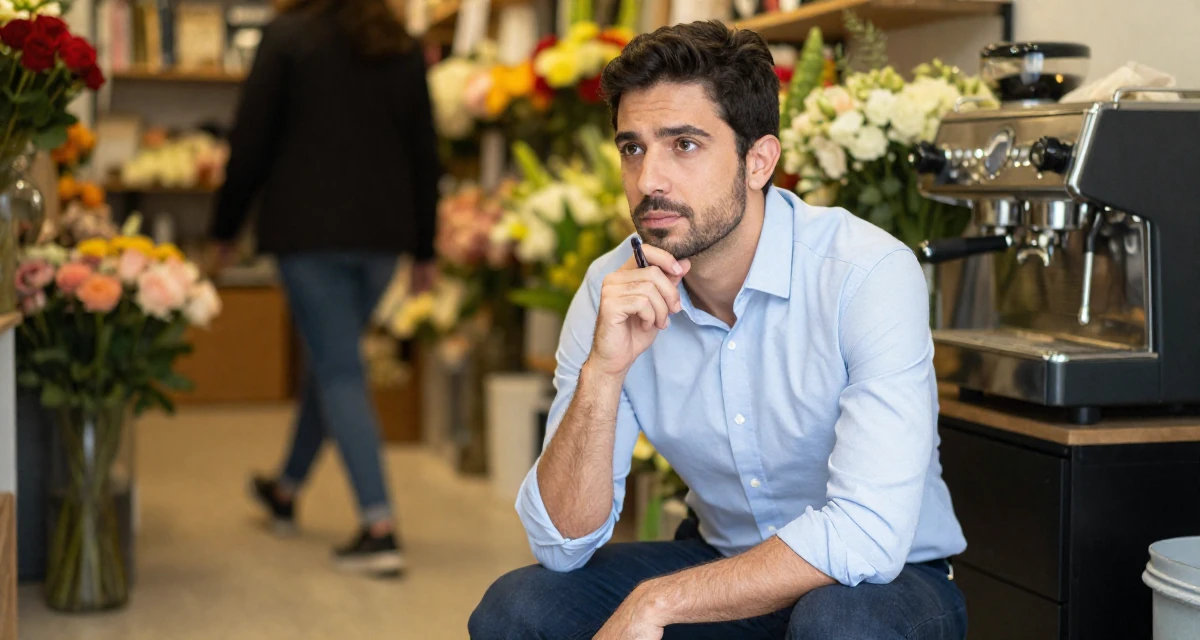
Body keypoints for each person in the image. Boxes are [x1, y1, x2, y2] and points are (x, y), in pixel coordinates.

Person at [469, 20, 968, 639]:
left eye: (684, 144)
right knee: (518, 607)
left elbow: (866, 532)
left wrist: (659, 602)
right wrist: (603, 373)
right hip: (721, 556)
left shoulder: (865, 274)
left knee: (840, 625)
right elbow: (560, 542)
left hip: (887, 581)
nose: (649, 178)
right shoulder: (611, 290)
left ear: (758, 161)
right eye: (633, 147)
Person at [209, 0, 441, 577]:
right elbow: (424, 151)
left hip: (306, 232)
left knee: (338, 369)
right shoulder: (400, 44)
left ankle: (379, 525)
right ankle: (285, 489)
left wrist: (223, 228)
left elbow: (251, 137)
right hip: (382, 238)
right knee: (331, 360)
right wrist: (426, 247)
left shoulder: (288, 36)